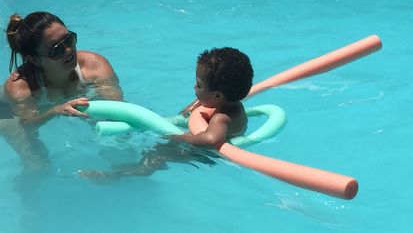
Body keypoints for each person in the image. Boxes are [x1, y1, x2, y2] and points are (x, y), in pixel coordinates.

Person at [79, 47, 253, 181]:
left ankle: (121, 174)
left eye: (199, 85)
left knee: (157, 154)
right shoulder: (231, 104)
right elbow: (209, 101)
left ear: (217, 96)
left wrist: (183, 138)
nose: (194, 87)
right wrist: (194, 106)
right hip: (203, 139)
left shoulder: (221, 118)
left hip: (203, 154)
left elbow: (210, 140)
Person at [1, 11, 123, 173]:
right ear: (35, 59)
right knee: (38, 165)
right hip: (6, 112)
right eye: (57, 49)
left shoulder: (94, 66)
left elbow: (117, 111)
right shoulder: (21, 86)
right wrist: (55, 110)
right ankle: (29, 195)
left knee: (119, 143)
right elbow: (28, 126)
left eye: (69, 40)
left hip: (47, 102)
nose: (68, 50)